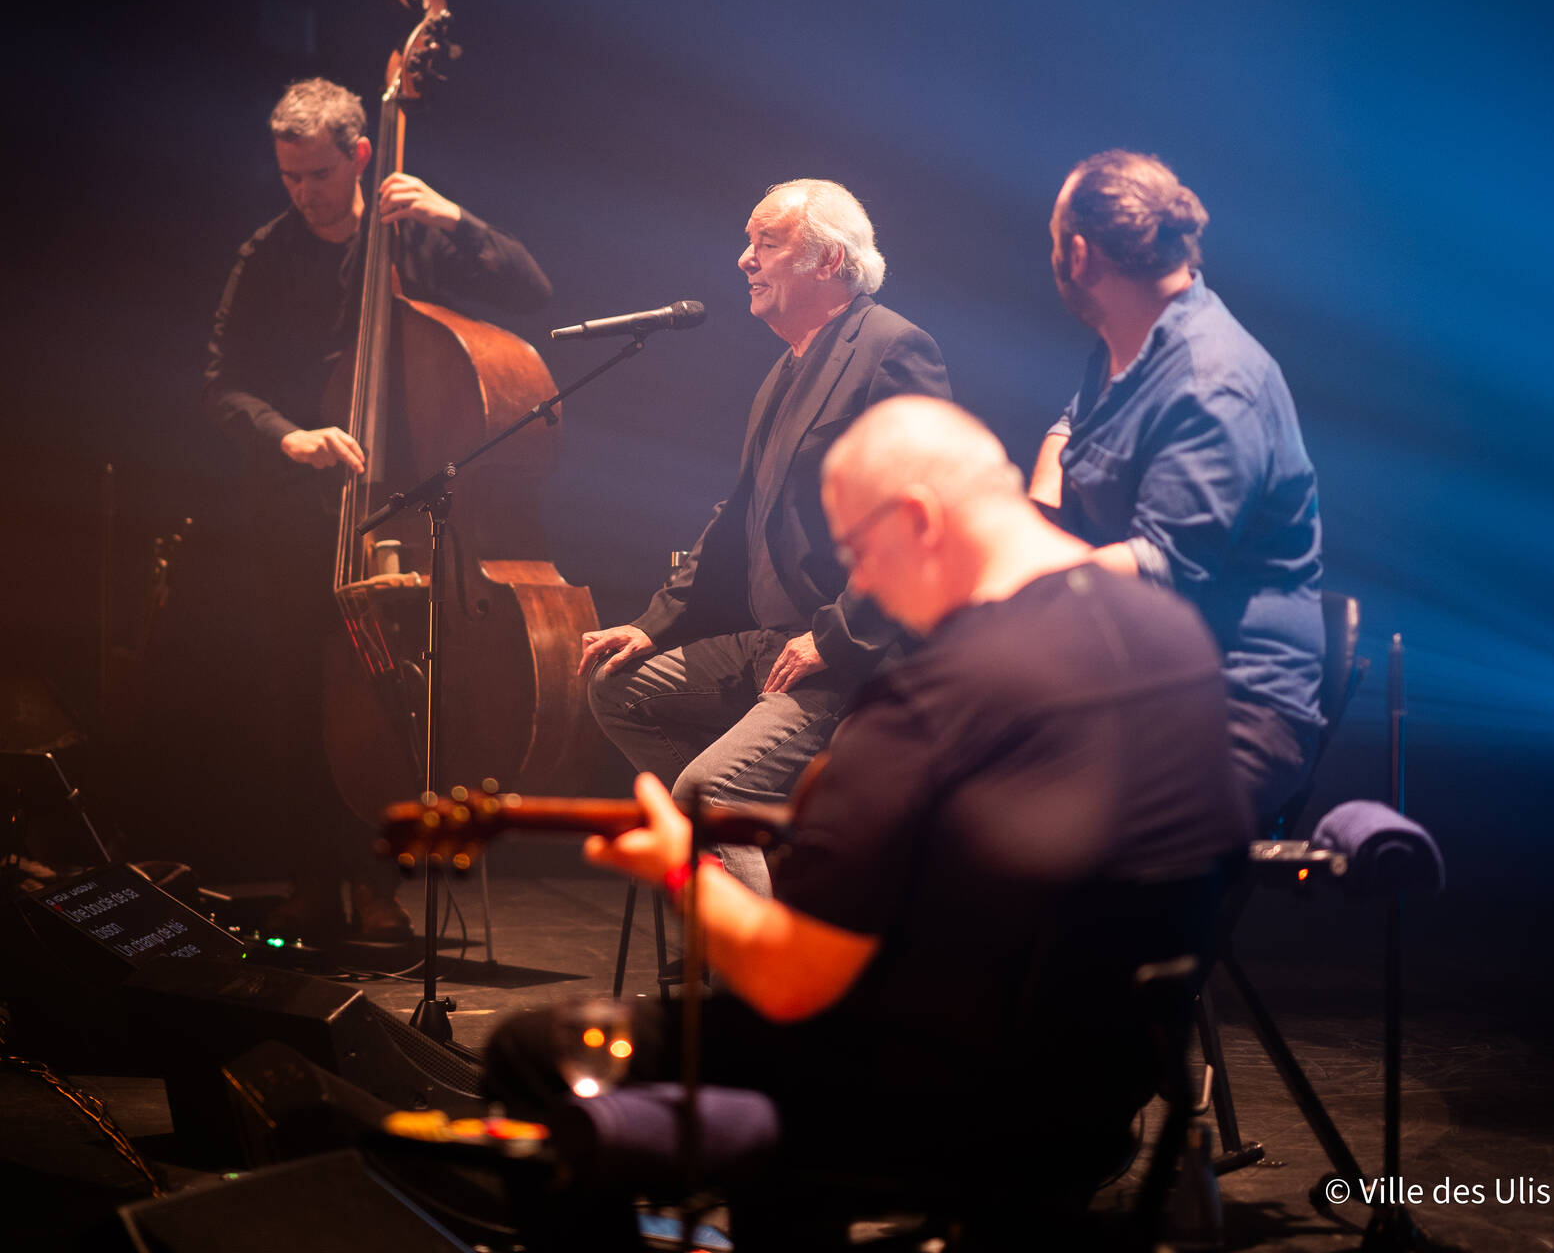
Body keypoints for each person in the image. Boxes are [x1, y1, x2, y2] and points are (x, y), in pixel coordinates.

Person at [486, 397, 1251, 1243]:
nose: (864, 588)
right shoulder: (1176, 638)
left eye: (856, 554)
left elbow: (788, 980)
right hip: (1098, 1098)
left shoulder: (938, 696)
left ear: (918, 518)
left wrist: (678, 865)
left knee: (532, 1054)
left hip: (937, 1108)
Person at [203, 77, 552, 941]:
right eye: (289, 176)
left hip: (412, 512)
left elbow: (534, 292)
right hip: (301, 513)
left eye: (318, 174)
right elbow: (222, 384)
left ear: (362, 154)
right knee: (299, 704)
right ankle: (313, 881)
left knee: (397, 704)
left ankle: (381, 886)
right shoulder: (267, 254)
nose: (303, 192)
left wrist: (455, 218)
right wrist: (290, 435)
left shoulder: (415, 238)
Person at [579, 179, 948, 896]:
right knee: (618, 685)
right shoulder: (786, 367)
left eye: (766, 243)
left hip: (849, 656)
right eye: (750, 243)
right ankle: (753, 857)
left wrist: (833, 639)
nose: (744, 259)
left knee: (707, 793)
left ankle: (753, 950)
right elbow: (738, 518)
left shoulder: (894, 349)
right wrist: (654, 626)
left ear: (829, 260)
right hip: (770, 643)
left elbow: (916, 518)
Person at [1029, 148, 1324, 823]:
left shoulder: (1213, 385)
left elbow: (1163, 568)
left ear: (1080, 256)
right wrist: (1037, 511)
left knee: (1022, 828)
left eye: (1054, 243)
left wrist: (1018, 575)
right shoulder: (1128, 338)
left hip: (1232, 709)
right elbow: (1073, 424)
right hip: (1143, 684)